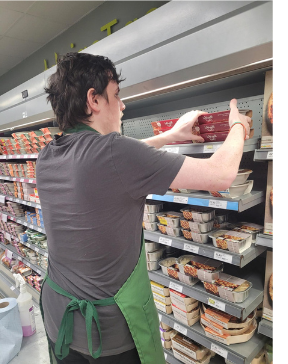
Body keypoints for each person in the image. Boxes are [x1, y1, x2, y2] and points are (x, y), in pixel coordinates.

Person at [37, 52, 250, 364]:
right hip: (108, 334)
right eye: (117, 96)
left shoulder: (49, 155)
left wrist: (170, 137)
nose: (122, 106)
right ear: (93, 100)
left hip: (60, 322)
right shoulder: (114, 152)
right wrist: (237, 125)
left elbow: (116, 163)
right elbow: (221, 173)